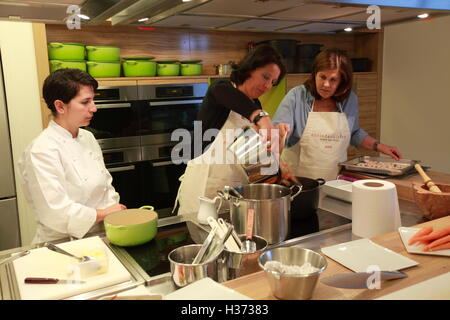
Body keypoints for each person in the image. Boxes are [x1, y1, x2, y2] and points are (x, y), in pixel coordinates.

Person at [176, 44, 290, 216]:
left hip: (236, 195)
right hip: (204, 193)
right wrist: (261, 117)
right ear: (250, 68)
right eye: (265, 77)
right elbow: (226, 94)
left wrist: (278, 143)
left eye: (272, 82)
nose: (267, 86)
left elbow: (260, 161)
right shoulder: (221, 89)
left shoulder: (255, 105)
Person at [18, 69, 127, 244]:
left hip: (103, 236)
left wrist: (114, 211)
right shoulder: (41, 150)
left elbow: (106, 185)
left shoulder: (88, 137)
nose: (94, 108)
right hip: (63, 245)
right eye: (85, 102)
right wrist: (103, 214)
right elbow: (55, 212)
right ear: (60, 106)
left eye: (93, 100)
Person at [273, 48, 402, 182]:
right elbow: (276, 135)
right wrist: (280, 133)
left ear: (342, 82)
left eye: (333, 80)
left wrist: (380, 146)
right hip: (300, 183)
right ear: (314, 74)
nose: (326, 84)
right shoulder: (297, 96)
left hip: (336, 181)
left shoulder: (349, 100)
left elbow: (354, 132)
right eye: (322, 77)